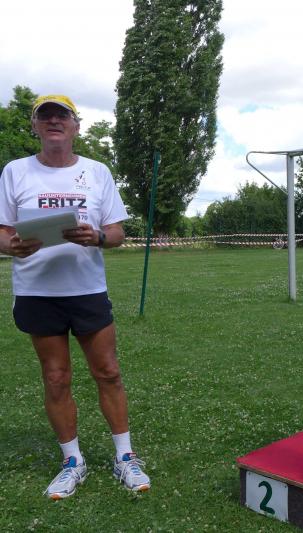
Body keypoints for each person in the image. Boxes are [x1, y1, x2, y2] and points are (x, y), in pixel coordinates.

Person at [0, 94, 150, 499]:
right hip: (37, 291)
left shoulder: (97, 172)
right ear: (34, 126)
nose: (53, 121)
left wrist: (97, 236)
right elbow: (2, 231)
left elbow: (116, 232)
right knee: (55, 377)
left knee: (108, 371)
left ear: (75, 126)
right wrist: (11, 246)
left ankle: (125, 457)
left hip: (87, 290)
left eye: (61, 115)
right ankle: (72, 462)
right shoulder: (15, 171)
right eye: (45, 115)